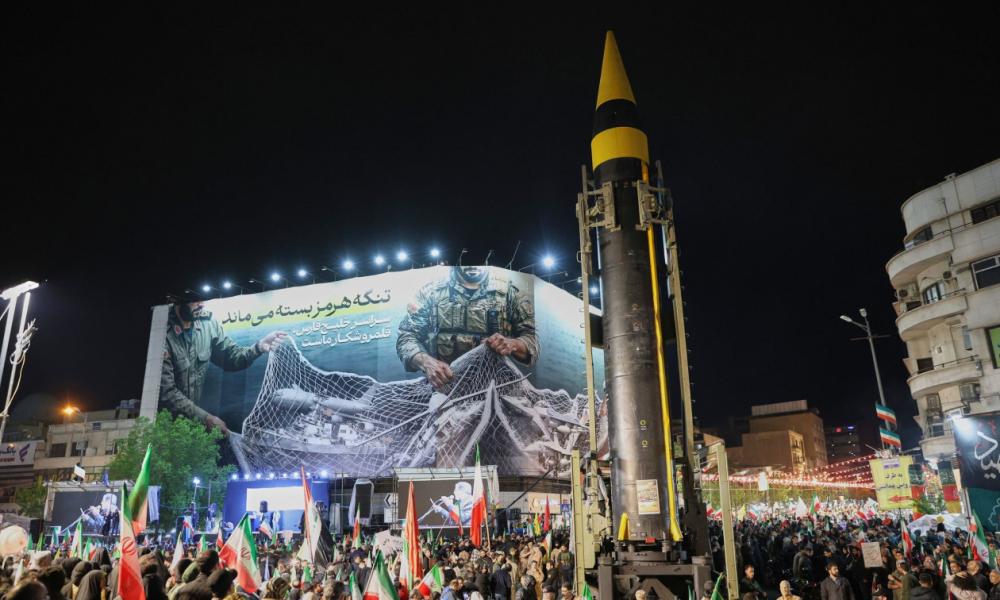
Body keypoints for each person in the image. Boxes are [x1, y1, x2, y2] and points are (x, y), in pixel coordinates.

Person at [396, 266, 539, 390]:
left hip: (497, 388)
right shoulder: (431, 292)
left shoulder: (509, 292)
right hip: (445, 388)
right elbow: (406, 336)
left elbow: (531, 339)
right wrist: (426, 362)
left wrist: (512, 344)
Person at [160, 299, 286, 433]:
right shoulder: (162, 332)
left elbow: (231, 357)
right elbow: (167, 393)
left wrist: (259, 347)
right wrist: (206, 418)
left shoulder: (208, 325)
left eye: (203, 300)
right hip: (162, 424)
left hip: (191, 423)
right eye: (195, 301)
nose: (201, 305)